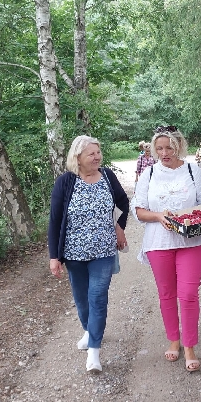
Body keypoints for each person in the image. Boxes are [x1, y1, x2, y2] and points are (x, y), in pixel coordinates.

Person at [132, 126, 201, 372]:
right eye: (159, 149)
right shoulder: (149, 174)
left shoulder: (193, 171)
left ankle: (189, 346)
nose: (164, 153)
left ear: (179, 147)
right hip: (158, 242)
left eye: (169, 148)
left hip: (191, 241)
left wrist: (190, 218)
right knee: (166, 293)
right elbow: (139, 210)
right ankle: (173, 340)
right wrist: (158, 216)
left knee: (188, 293)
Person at [48, 135, 130, 373]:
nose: (96, 157)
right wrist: (54, 256)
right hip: (74, 253)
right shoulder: (65, 182)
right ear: (77, 158)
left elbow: (123, 203)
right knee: (82, 299)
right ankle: (88, 329)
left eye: (98, 152)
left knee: (97, 297)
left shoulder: (107, 176)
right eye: (91, 154)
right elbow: (55, 221)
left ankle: (94, 351)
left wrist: (119, 227)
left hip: (104, 251)